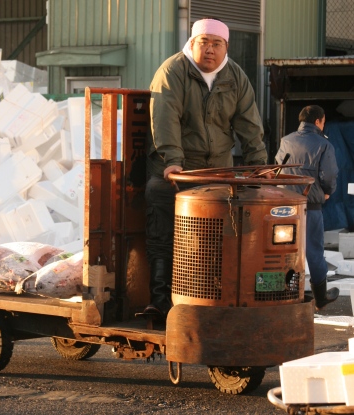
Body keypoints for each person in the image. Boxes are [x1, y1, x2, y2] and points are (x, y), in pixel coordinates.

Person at [143, 18, 268, 320]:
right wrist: (173, 160)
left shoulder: (235, 77)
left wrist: (260, 168)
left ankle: (213, 301)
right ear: (192, 42)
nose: (210, 50)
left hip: (218, 174)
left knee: (219, 240)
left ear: (226, 47)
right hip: (175, 172)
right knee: (166, 237)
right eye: (204, 42)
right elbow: (165, 118)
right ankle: (161, 304)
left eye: (217, 44)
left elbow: (250, 126)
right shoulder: (173, 71)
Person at [275, 105, 339, 310]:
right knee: (313, 250)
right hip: (309, 205)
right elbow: (328, 175)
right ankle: (320, 298)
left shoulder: (286, 140)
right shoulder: (323, 144)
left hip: (283, 206)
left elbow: (276, 168)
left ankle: (287, 294)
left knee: (285, 251)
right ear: (319, 121)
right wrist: (327, 191)